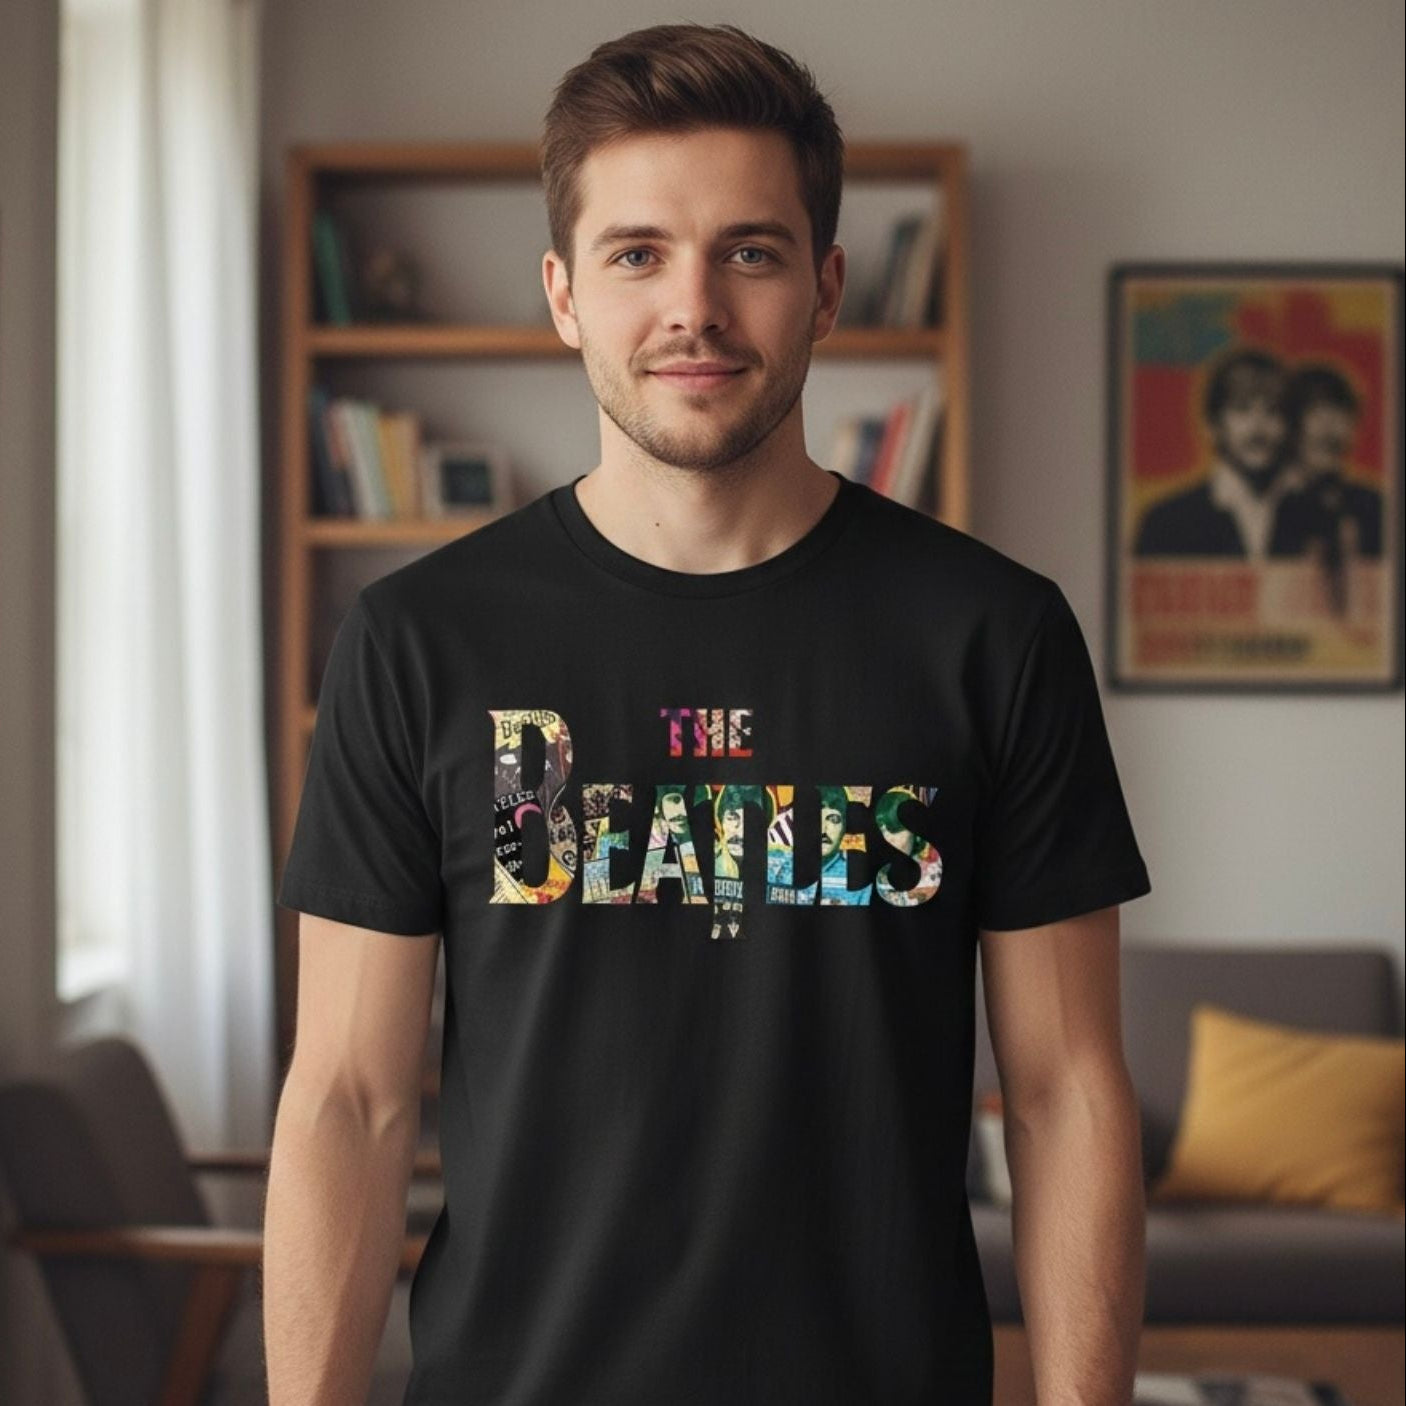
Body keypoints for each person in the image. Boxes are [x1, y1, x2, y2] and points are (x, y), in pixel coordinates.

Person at [264, 22, 1152, 1406]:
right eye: (636, 254)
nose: (694, 306)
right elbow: (347, 1101)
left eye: (749, 251)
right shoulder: (418, 641)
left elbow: (1065, 1095)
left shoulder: (991, 634)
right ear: (562, 293)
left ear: (826, 287)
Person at [1133, 346, 1305, 558]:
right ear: (1213, 426)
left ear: (1290, 427)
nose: (1258, 428)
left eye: (1273, 411)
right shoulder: (1166, 522)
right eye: (1242, 410)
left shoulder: (1317, 516)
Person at [1273, 363, 1383, 615]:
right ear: (1292, 427)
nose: (1330, 428)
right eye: (1317, 413)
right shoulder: (1265, 507)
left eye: (1342, 415)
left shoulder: (1375, 504)